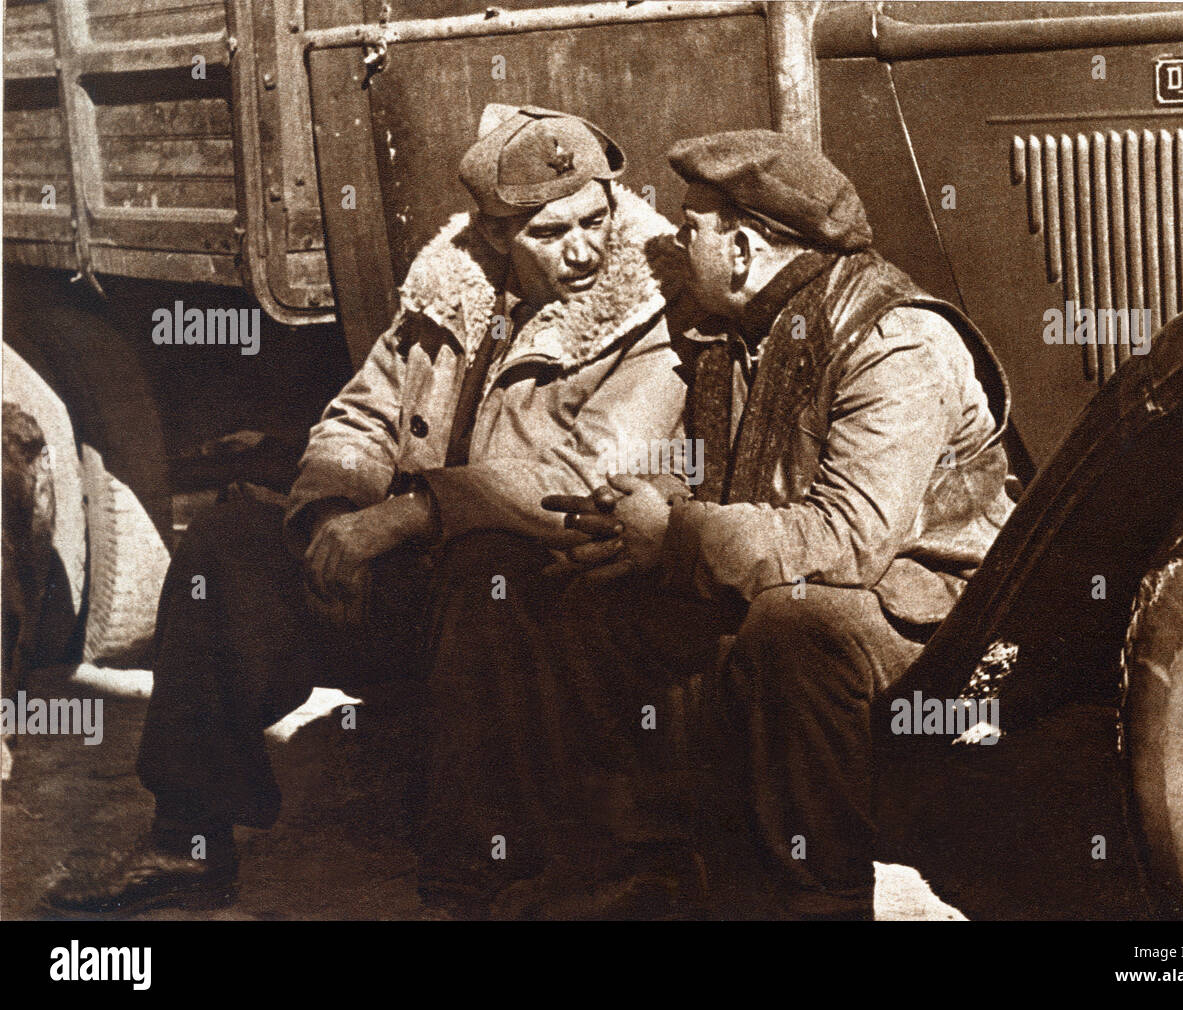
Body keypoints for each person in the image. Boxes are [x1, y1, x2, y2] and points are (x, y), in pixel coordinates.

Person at [45, 105, 686, 918]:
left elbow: (586, 476)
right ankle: (187, 838)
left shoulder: (646, 317)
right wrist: (328, 519)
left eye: (596, 219)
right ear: (493, 238)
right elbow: (361, 417)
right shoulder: (448, 292)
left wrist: (412, 515)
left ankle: (467, 883)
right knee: (228, 542)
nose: (585, 248)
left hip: (548, 615)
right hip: (419, 589)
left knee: (489, 572)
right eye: (551, 232)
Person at [549, 130, 1016, 919]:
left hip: (935, 613)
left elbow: (849, 538)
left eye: (691, 226)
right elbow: (722, 478)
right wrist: (640, 509)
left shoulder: (895, 340)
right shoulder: (735, 330)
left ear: (739, 250)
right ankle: (660, 875)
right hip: (827, 582)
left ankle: (818, 898)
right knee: (591, 592)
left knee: (796, 628)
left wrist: (675, 536)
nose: (672, 239)